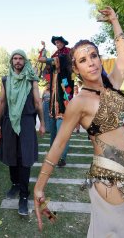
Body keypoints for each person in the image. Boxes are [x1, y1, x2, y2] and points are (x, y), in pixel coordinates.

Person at [33, 6, 124, 237]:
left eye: (93, 55)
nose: (90, 62)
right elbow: (58, 145)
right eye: (82, 60)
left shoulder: (114, 85)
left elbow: (123, 55)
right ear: (76, 69)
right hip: (110, 180)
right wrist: (39, 186)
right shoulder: (80, 102)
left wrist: (115, 21)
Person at [0, 49, 46, 216]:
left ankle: (24, 196)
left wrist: (42, 124)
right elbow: (2, 102)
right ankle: (15, 183)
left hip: (26, 121)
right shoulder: (5, 80)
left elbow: (38, 103)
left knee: (24, 158)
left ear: (25, 61)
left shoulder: (32, 80)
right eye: (15, 58)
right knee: (11, 154)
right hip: (8, 121)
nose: (17, 61)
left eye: (20, 58)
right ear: (11, 61)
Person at [37, 36, 74, 167]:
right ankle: (53, 155)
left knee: (62, 130)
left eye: (59, 42)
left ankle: (62, 157)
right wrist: (44, 49)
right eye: (56, 42)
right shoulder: (56, 55)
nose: (57, 44)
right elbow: (44, 64)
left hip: (64, 97)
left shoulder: (67, 54)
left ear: (64, 43)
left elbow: (44, 60)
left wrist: (44, 54)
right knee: (53, 130)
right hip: (53, 99)